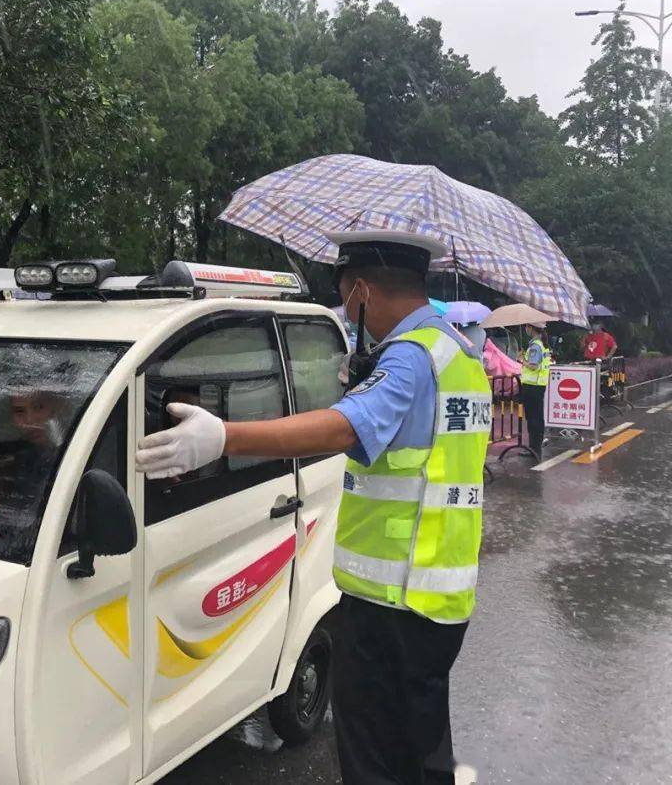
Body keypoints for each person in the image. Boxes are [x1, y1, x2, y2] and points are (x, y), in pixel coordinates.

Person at [136, 230, 490, 785]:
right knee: (421, 750)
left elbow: (343, 427)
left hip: (391, 605)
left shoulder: (409, 358)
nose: (346, 306)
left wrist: (223, 436)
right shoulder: (458, 353)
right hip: (440, 599)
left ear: (363, 291)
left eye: (345, 292)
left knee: (374, 758)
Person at [520, 322, 551, 459]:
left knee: (533, 418)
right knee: (537, 417)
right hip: (538, 385)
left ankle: (534, 448)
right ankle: (535, 447)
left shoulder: (535, 346)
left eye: (527, 327)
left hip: (532, 386)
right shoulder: (541, 344)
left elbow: (533, 366)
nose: (526, 329)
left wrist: (521, 360)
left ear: (531, 328)